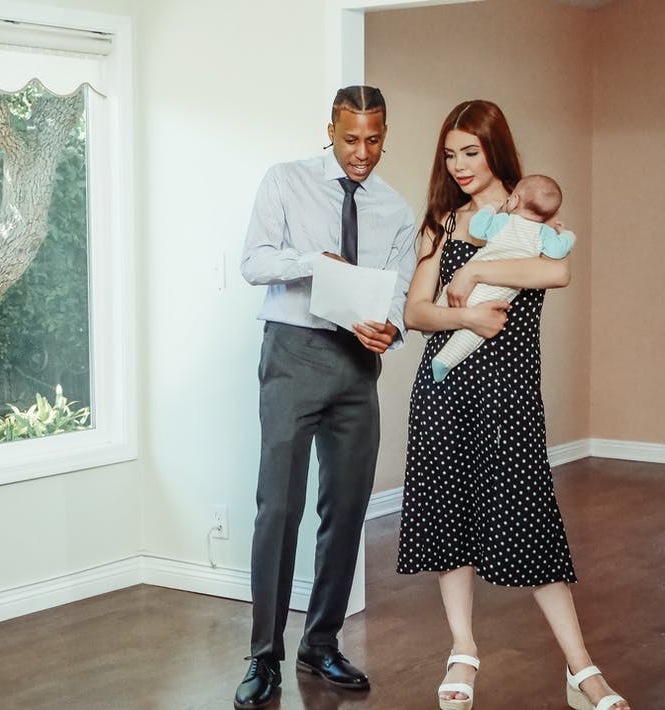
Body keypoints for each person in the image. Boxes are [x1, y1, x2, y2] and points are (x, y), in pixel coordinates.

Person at [396, 100, 631, 710]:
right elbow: (415, 312)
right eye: (449, 155)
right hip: (444, 391)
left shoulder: (529, 215)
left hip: (508, 393)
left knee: (529, 520)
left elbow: (557, 274)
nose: (458, 165)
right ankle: (463, 652)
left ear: (495, 149)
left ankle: (582, 671)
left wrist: (474, 272)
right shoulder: (441, 223)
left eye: (470, 152)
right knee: (449, 522)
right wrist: (466, 312)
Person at [234, 85, 417, 710]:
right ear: (330, 129)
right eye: (349, 139)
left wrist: (388, 329)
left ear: (385, 133)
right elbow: (254, 263)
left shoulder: (396, 208)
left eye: (373, 140)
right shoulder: (285, 181)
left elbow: (395, 291)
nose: (361, 153)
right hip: (293, 353)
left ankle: (322, 642)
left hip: (355, 367)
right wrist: (313, 261)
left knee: (346, 509)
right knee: (278, 509)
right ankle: (264, 657)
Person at [429, 173, 576, 382]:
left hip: (469, 284)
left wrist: (492, 208)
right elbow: (558, 251)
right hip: (497, 292)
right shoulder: (543, 234)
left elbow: (477, 228)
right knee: (474, 332)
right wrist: (566, 235)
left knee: (448, 292)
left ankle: (434, 322)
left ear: (514, 199)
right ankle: (444, 361)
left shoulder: (504, 221)